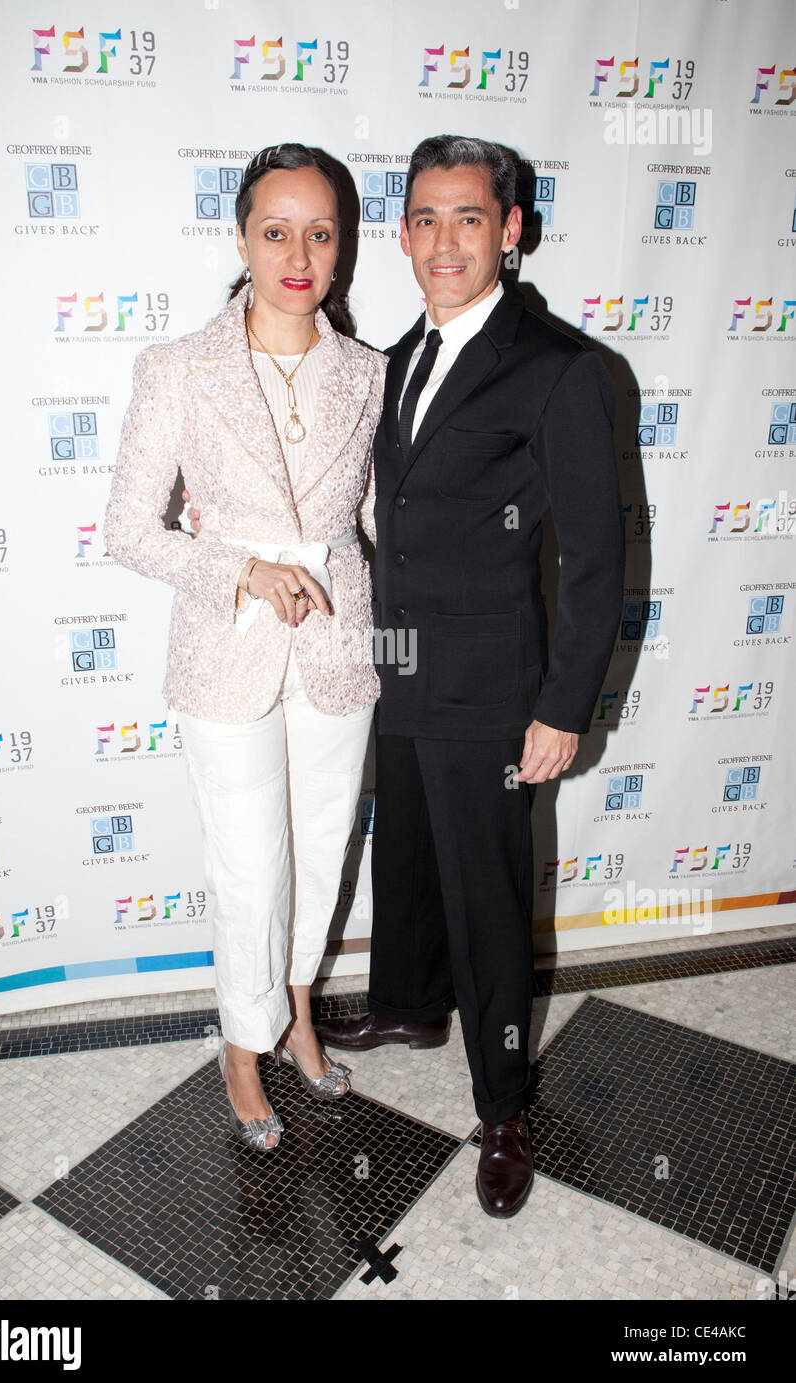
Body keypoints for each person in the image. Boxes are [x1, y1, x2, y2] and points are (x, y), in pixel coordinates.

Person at [317, 135, 625, 1217]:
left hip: (492, 689)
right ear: (400, 236)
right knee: (401, 848)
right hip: (399, 664)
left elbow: (594, 556)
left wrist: (560, 707)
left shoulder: (560, 368)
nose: (443, 242)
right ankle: (407, 1001)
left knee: (488, 903)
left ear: (510, 230)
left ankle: (502, 1104)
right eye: (424, 220)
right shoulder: (397, 356)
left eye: (467, 218)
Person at [104, 143, 386, 1152]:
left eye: (320, 232)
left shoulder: (369, 372)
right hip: (226, 644)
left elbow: (370, 518)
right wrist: (240, 568)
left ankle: (297, 1014)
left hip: (338, 645)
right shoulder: (178, 368)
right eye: (276, 231)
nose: (298, 254)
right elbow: (129, 529)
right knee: (248, 868)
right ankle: (241, 1042)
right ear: (240, 239)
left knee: (318, 855)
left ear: (341, 245)